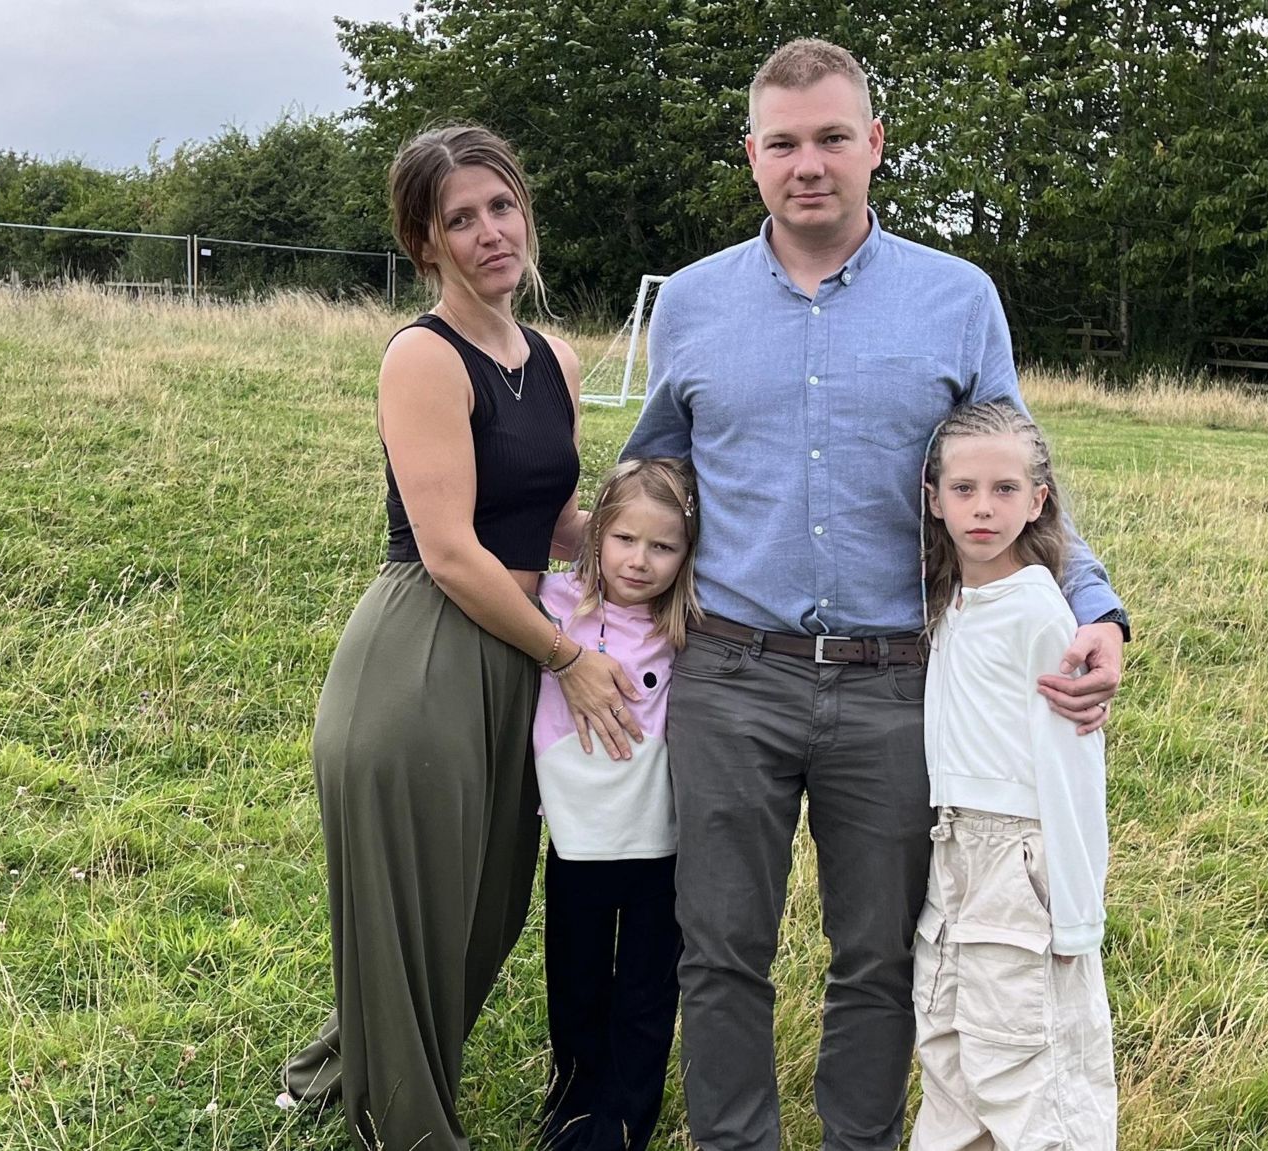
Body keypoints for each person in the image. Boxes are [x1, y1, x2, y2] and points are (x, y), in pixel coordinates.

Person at [621, 38, 1130, 1151]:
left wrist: (1095, 609)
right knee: (718, 946)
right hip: (729, 673)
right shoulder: (695, 303)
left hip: (898, 680)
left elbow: (1018, 476)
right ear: (751, 155)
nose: (810, 164)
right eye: (785, 143)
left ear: (874, 147)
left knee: (882, 951)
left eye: (833, 138)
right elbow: (649, 476)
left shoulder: (955, 299)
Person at [279, 124, 644, 1151]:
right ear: (424, 242)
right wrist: (569, 656)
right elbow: (448, 548)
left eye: (501, 206)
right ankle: (404, 1127)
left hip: (513, 652)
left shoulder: (554, 358)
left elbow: (553, 522)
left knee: (483, 918)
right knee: (415, 915)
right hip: (425, 654)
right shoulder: (421, 356)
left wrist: (660, 547)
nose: (489, 232)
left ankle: (319, 1073)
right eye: (459, 218)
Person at [912, 400, 1117, 1150]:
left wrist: (1075, 910)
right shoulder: (952, 600)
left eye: (1005, 489)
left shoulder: (1039, 610)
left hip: (1019, 864)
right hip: (951, 855)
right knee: (950, 1053)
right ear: (933, 499)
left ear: (1039, 500)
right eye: (963, 489)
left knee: (1032, 1077)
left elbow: (1073, 767)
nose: (983, 508)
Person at [532, 457, 699, 1151]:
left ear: (686, 555)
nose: (640, 560)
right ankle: (573, 1105)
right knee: (575, 978)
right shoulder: (550, 604)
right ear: (596, 534)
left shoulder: (690, 622)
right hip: (576, 835)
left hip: (658, 838)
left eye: (662, 546)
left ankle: (624, 1120)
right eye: (625, 539)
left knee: (646, 989)